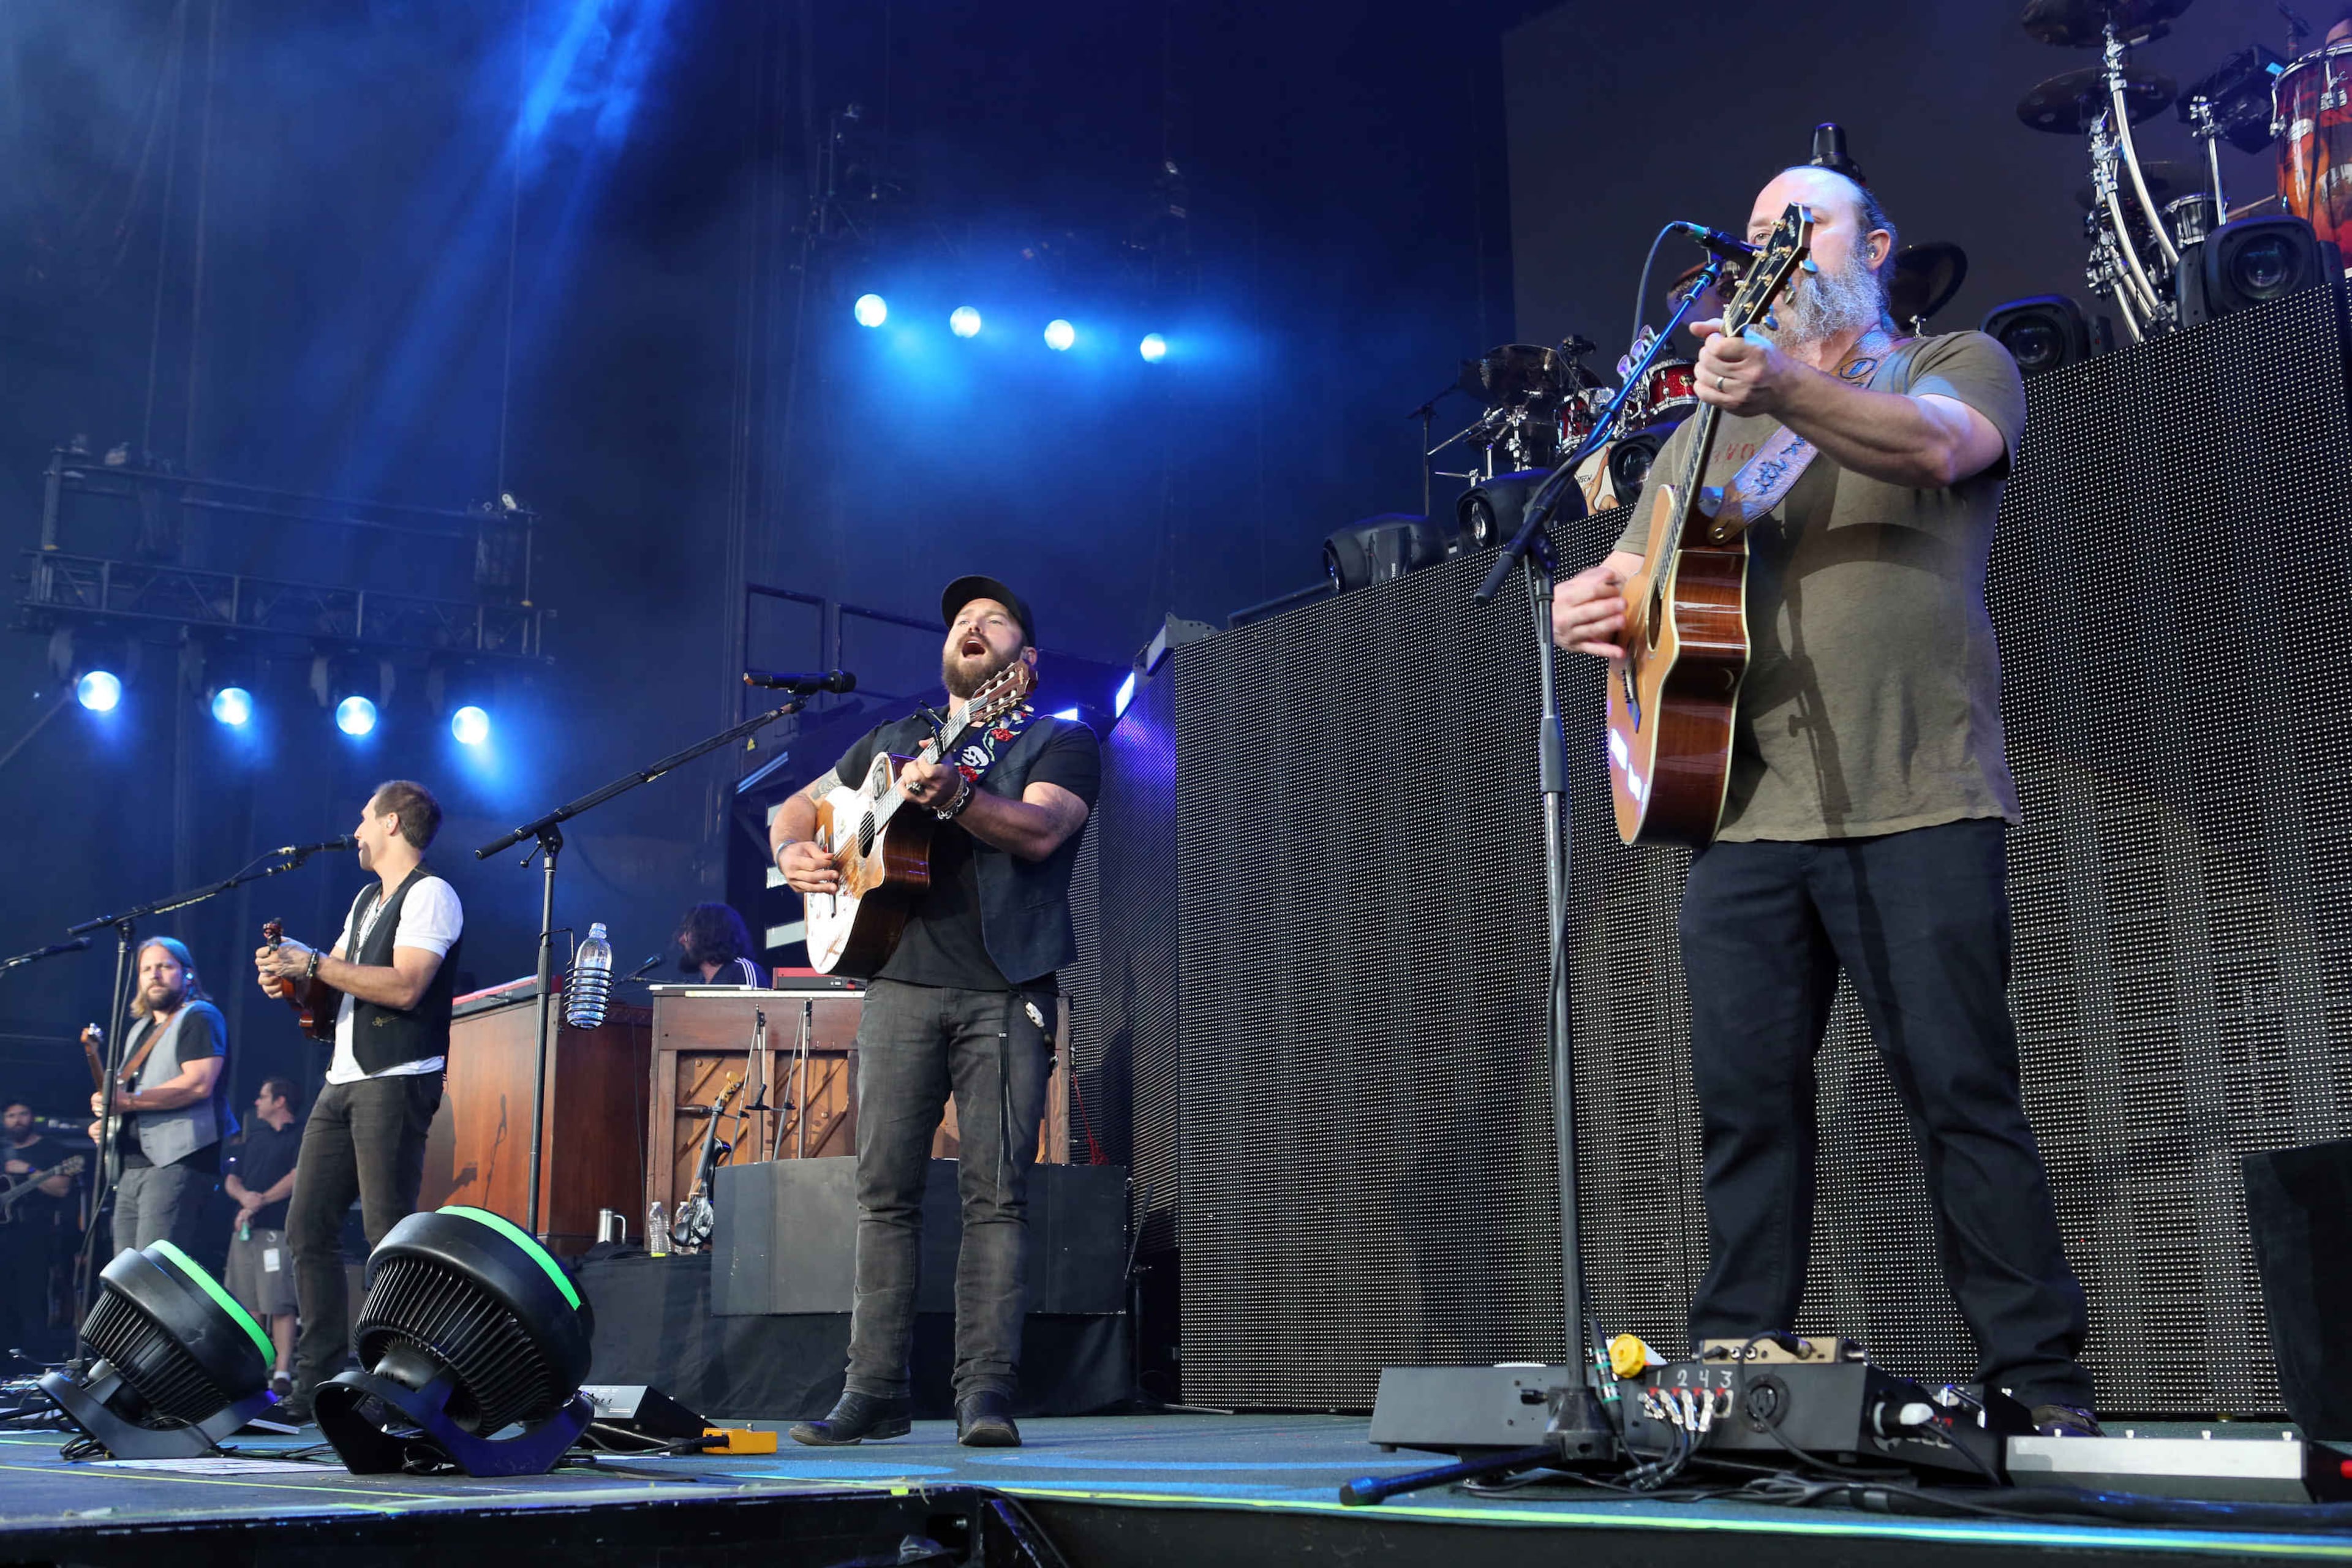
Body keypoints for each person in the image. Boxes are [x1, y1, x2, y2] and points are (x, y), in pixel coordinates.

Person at [1550, 164, 2100, 1435]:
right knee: (1744, 1112)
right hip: (1740, 813)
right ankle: (1726, 1371)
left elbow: (1943, 449)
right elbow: (1632, 582)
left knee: (1962, 1096)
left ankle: (2040, 1383)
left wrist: (1785, 387)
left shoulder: (1950, 363)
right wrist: (1594, 607)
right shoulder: (1701, 434)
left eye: (1799, 230)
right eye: (1755, 238)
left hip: (1918, 794)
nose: (1772, 256)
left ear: (1878, 246)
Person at [772, 575, 1099, 1449]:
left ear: (1023, 662)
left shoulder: (1060, 741)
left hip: (1005, 988)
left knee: (997, 1196)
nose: (972, 626)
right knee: (883, 1195)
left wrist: (956, 796)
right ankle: (874, 1391)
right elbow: (795, 805)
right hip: (897, 984)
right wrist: (796, 848)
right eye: (961, 620)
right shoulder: (894, 741)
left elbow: (1040, 830)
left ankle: (984, 1393)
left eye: (994, 620)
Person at [253, 780, 462, 1423]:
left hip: (395, 1077)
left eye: (366, 818)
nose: (357, 830)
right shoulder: (367, 899)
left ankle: (402, 1382)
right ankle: (314, 1381)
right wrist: (290, 981)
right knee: (306, 1227)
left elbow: (404, 986)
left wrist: (311, 962)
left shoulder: (431, 894)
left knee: (386, 1233)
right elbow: (329, 985)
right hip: (342, 1080)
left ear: (393, 823)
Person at [88, 938, 235, 1256]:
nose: (154, 975)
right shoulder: (138, 1030)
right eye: (146, 969)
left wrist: (127, 1102)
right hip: (131, 1168)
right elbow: (129, 1096)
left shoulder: (200, 1016)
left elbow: (199, 1084)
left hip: (175, 1163)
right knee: (125, 1273)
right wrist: (109, 1121)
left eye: (165, 967)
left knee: (153, 1271)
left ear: (188, 974)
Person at [223, 1077, 304, 1397]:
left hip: (277, 1228)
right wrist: (245, 1199)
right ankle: (255, 1369)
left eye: (263, 1096)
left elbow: (297, 1177)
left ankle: (282, 1370)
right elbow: (232, 1179)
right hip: (246, 1229)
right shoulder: (253, 1138)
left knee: (279, 1301)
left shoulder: (300, 1136)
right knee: (249, 1302)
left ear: (280, 1101)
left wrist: (261, 1201)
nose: (257, 1102)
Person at [2, 1100, 77, 1362]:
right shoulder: (3, 1151)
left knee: (32, 1299)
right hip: (4, 1238)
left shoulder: (51, 1149)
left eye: (23, 1114)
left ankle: (36, 1359)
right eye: (11, 1115)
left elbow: (62, 1189)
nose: (17, 1120)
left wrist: (30, 1170)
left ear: (32, 1117)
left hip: (35, 1237)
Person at [676, 902, 765, 986]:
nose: (681, 940)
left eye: (688, 933)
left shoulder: (742, 971)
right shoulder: (701, 984)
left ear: (709, 935)